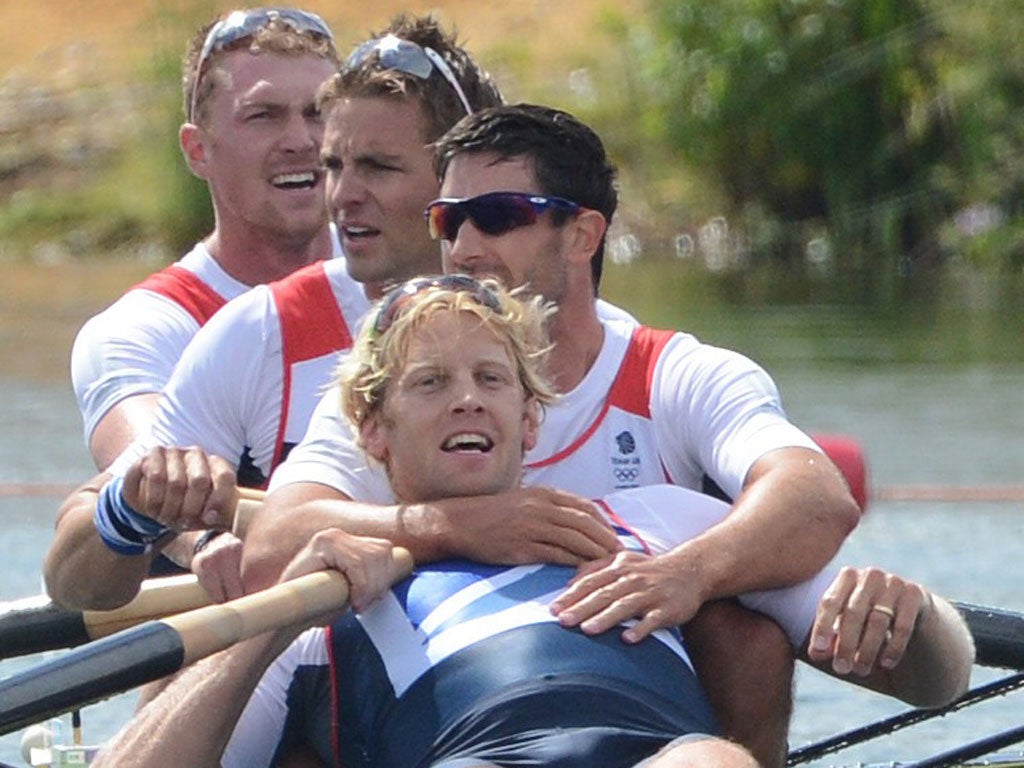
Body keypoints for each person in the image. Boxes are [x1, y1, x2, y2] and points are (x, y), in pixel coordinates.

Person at [91, 278, 972, 768]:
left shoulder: (665, 523)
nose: (467, 398)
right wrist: (269, 620)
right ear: (374, 429)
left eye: (492, 378)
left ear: (529, 417)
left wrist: (909, 616)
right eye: (430, 384)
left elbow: (941, 680)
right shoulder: (330, 580)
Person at [240, 104, 864, 767]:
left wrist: (691, 574)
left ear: (582, 234)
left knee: (742, 641)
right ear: (380, 425)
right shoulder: (388, 388)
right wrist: (454, 526)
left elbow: (818, 499)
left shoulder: (676, 375)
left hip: (650, 719)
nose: (465, 246)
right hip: (454, 722)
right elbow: (271, 547)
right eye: (448, 220)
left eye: (500, 215)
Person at [45, 14, 506, 609]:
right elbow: (169, 482)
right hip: (267, 619)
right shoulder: (165, 329)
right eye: (265, 116)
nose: (304, 143)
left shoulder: (514, 308)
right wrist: (200, 535)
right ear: (198, 149)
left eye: (316, 114)